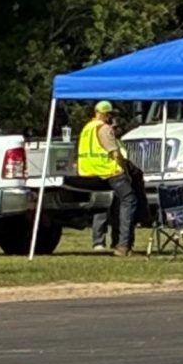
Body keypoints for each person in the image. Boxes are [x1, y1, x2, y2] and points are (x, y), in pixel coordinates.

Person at [75, 99, 135, 255]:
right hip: (108, 171)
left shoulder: (87, 128)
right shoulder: (104, 129)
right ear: (107, 114)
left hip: (88, 172)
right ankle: (123, 244)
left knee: (106, 205)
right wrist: (124, 170)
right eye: (110, 115)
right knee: (129, 200)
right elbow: (115, 153)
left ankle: (102, 241)